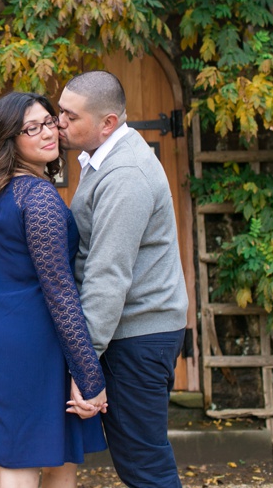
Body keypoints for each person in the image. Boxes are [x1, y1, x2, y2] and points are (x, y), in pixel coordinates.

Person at [0, 92, 108, 488]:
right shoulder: (38, 196)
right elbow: (60, 291)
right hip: (30, 348)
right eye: (32, 128)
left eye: (49, 121)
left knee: (31, 464)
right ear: (10, 139)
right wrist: (89, 374)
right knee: (37, 473)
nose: (48, 133)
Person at [58, 71, 189, 488]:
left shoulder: (124, 175)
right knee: (140, 461)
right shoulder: (106, 160)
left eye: (69, 116)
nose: (58, 122)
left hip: (138, 336)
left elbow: (108, 275)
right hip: (133, 332)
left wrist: (85, 361)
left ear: (107, 123)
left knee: (144, 465)